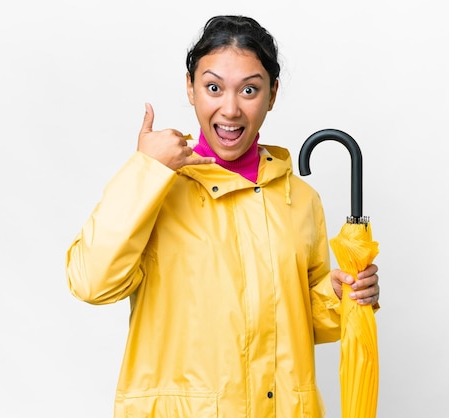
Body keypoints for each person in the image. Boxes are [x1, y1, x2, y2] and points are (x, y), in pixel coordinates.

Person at [66, 15, 380, 418]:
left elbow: (297, 324)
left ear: (272, 94)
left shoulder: (299, 198)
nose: (230, 109)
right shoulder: (157, 188)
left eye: (249, 89)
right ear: (190, 89)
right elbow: (91, 282)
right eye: (213, 88)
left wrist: (338, 298)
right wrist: (146, 169)